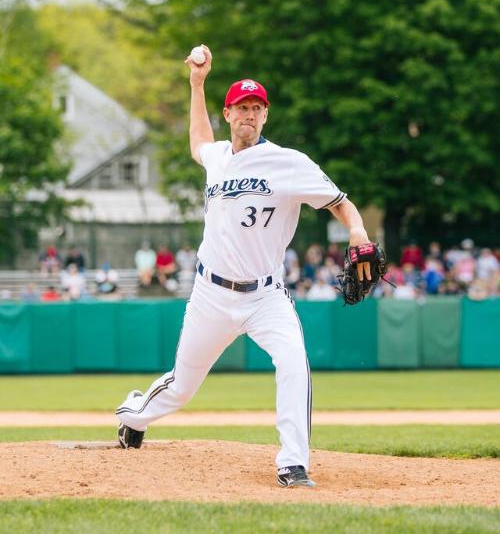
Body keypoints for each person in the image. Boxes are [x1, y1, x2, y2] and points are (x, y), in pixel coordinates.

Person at [116, 45, 373, 489]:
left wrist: (359, 232)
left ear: (265, 116)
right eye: (242, 107)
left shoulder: (290, 163)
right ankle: (135, 415)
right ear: (229, 113)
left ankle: (293, 463)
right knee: (182, 386)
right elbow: (198, 140)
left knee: (294, 363)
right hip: (211, 294)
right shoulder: (218, 157)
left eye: (257, 108)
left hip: (266, 295)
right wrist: (196, 84)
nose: (250, 114)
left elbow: (341, 203)